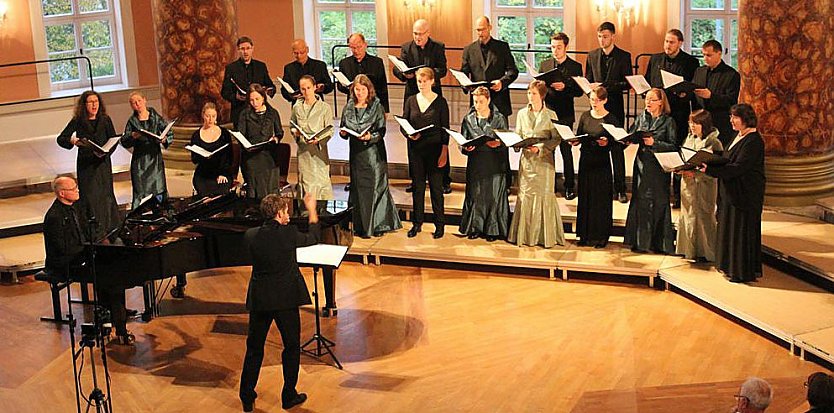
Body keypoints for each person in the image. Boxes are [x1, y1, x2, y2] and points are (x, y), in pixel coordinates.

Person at [239, 193, 320, 412]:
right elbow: (313, 236)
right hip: (285, 299)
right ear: (278, 213)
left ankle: (246, 396)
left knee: (254, 348)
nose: (288, 215)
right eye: (286, 211)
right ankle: (288, 395)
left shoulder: (250, 235)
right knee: (291, 347)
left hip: (260, 300)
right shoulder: (289, 234)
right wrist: (311, 209)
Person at [43, 176, 133, 345]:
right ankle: (116, 323)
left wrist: (101, 241)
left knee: (112, 270)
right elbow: (64, 249)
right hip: (66, 263)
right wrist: (90, 250)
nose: (78, 191)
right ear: (62, 193)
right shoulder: (54, 217)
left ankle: (113, 319)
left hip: (82, 255)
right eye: (73, 188)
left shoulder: (77, 206)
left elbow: (92, 227)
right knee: (109, 276)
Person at [702, 103, 765, 283]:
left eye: (735, 117)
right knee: (729, 228)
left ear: (746, 119)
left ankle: (740, 271)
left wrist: (710, 170)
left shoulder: (753, 141)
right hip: (732, 192)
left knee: (740, 231)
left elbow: (738, 167)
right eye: (731, 117)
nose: (731, 121)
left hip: (745, 194)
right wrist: (709, 159)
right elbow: (727, 158)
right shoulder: (738, 136)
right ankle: (728, 266)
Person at [393, 19, 452, 194]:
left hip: (432, 94)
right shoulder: (406, 47)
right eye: (415, 33)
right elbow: (397, 69)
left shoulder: (438, 46)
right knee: (412, 135)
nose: (417, 37)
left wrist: (429, 75)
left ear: (428, 32)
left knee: (438, 134)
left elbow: (443, 69)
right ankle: (416, 178)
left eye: (420, 34)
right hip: (413, 95)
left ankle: (443, 179)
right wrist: (406, 74)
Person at [339, 74, 402, 238]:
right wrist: (344, 133)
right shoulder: (349, 106)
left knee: (374, 187)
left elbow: (381, 131)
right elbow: (343, 127)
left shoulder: (376, 106)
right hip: (356, 153)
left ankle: (378, 224)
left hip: (373, 154)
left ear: (369, 90)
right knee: (358, 188)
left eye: (362, 90)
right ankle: (360, 225)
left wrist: (369, 137)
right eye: (357, 90)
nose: (359, 93)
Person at [645, 29, 700, 209]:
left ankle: (677, 194)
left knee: (676, 153)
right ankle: (658, 192)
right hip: (656, 115)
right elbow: (647, 82)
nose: (668, 45)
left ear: (680, 43)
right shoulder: (655, 59)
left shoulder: (691, 62)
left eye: (672, 42)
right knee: (657, 150)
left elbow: (694, 90)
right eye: (666, 41)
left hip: (678, 114)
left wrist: (685, 93)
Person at [56, 91, 120, 240]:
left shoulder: (105, 120)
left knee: (106, 195)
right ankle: (93, 232)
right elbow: (61, 139)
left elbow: (113, 139)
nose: (94, 105)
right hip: (87, 165)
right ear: (84, 105)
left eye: (96, 102)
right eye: (90, 102)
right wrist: (72, 141)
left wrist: (106, 152)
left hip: (103, 164)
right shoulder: (78, 120)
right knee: (90, 197)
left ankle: (109, 230)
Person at [508, 80, 565, 248]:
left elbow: (556, 138)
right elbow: (518, 134)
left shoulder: (551, 115)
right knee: (526, 195)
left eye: (533, 93)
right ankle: (525, 236)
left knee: (543, 196)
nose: (530, 96)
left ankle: (543, 236)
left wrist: (540, 148)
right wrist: (516, 144)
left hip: (544, 161)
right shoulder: (521, 114)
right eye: (528, 93)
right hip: (526, 162)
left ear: (541, 95)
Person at [623, 88, 677, 254]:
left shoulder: (668, 121)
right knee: (641, 202)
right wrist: (626, 140)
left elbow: (674, 145)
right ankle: (641, 243)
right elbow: (631, 134)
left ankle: (660, 243)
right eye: (647, 99)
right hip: (642, 164)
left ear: (661, 102)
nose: (648, 102)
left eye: (652, 99)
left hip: (659, 166)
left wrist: (654, 143)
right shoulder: (641, 118)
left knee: (659, 201)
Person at [585, 21, 632, 204]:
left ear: (613, 36)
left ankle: (620, 188)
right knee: (594, 145)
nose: (602, 40)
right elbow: (588, 80)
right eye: (599, 36)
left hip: (614, 108)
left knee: (616, 148)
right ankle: (597, 186)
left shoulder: (623, 56)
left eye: (605, 36)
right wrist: (589, 87)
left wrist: (606, 86)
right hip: (596, 108)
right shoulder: (592, 55)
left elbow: (627, 84)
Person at [401, 67, 450, 239]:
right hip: (416, 150)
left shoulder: (441, 102)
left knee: (436, 188)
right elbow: (403, 123)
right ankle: (417, 222)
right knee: (418, 187)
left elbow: (445, 129)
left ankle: (439, 223)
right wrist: (409, 133)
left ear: (432, 81)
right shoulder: (410, 100)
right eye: (419, 81)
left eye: (424, 81)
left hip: (435, 150)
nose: (421, 84)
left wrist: (444, 151)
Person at [459, 86, 510, 242]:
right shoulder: (468, 119)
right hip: (476, 162)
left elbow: (506, 140)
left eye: (481, 101)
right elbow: (462, 142)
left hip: (494, 162)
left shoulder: (499, 118)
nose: (478, 105)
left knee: (493, 196)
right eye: (475, 102)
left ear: (488, 100)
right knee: (476, 194)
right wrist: (466, 147)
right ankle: (475, 227)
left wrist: (498, 143)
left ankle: (492, 229)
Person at [572, 86, 618, 248]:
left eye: (597, 100)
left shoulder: (611, 119)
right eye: (592, 100)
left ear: (605, 100)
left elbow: (617, 142)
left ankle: (600, 237)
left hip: (601, 162)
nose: (594, 103)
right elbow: (579, 134)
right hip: (586, 160)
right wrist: (574, 140)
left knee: (600, 199)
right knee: (585, 196)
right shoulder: (585, 116)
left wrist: (607, 142)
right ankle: (584, 235)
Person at [540, 32, 583, 200]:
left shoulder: (575, 67)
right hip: (548, 113)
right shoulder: (545, 65)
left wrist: (565, 86)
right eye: (552, 47)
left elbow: (579, 92)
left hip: (565, 113)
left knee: (566, 151)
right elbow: (539, 89)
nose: (555, 51)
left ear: (566, 47)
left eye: (558, 47)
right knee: (548, 150)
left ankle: (569, 186)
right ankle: (548, 184)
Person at [675, 109, 723, 261]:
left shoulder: (714, 142)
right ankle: (688, 250)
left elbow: (717, 166)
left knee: (703, 215)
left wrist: (697, 173)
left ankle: (707, 252)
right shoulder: (689, 138)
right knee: (687, 216)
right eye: (690, 122)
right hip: (687, 184)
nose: (692, 126)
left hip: (704, 184)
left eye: (696, 123)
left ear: (704, 124)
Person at [121, 91, 173, 209]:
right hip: (140, 161)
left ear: (144, 100)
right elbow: (124, 141)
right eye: (134, 103)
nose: (137, 104)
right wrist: (133, 136)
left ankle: (161, 214)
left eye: (139, 101)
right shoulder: (132, 121)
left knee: (158, 188)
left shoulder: (155, 117)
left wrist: (164, 139)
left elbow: (167, 132)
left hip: (154, 159)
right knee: (141, 190)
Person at [461, 16, 520, 119]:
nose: (480, 33)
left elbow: (513, 71)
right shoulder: (469, 50)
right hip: (478, 101)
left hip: (499, 100)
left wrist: (502, 82)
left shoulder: (502, 47)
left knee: (500, 134)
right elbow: (464, 74)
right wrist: (466, 85)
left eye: (483, 29)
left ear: (490, 27)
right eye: (478, 30)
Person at [290, 75, 334, 200]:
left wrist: (319, 140)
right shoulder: (297, 107)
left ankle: (322, 212)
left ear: (314, 88)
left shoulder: (324, 107)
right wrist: (296, 132)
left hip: (319, 151)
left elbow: (330, 129)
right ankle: (306, 214)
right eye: (303, 89)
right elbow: (292, 124)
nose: (306, 92)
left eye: (308, 88)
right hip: (304, 151)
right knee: (306, 183)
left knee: (321, 182)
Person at [237, 83, 284, 199]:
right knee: (254, 182)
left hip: (268, 154)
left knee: (269, 185)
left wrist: (276, 139)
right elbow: (241, 135)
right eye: (251, 100)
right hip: (251, 155)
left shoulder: (273, 113)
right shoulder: (244, 114)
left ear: (263, 97)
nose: (255, 103)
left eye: (257, 99)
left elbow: (279, 133)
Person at [693, 39, 741, 148]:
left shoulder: (731, 74)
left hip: (720, 122)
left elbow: (731, 100)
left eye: (709, 55)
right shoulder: (699, 71)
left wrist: (711, 96)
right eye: (704, 55)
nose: (705, 58)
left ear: (719, 54)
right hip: (701, 122)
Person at [221, 36, 277, 128]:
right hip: (239, 112)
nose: (245, 52)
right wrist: (236, 97)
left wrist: (269, 90)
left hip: (259, 112)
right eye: (242, 49)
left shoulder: (261, 66)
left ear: (252, 49)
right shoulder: (231, 68)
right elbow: (225, 92)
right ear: (238, 50)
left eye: (248, 48)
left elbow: (270, 85)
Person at [190, 102, 235, 197]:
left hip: (222, 172)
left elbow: (229, 157)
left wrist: (223, 173)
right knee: (204, 192)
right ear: (203, 115)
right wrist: (202, 155)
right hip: (203, 174)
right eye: (208, 116)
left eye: (213, 116)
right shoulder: (196, 136)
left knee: (221, 191)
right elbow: (194, 160)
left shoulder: (224, 134)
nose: (210, 119)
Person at [337, 33, 390, 112]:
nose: (356, 51)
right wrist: (349, 87)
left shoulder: (377, 62)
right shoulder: (344, 63)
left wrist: (385, 109)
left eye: (359, 47)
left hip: (373, 106)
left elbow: (383, 88)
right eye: (353, 48)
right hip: (353, 106)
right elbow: (340, 87)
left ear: (365, 45)